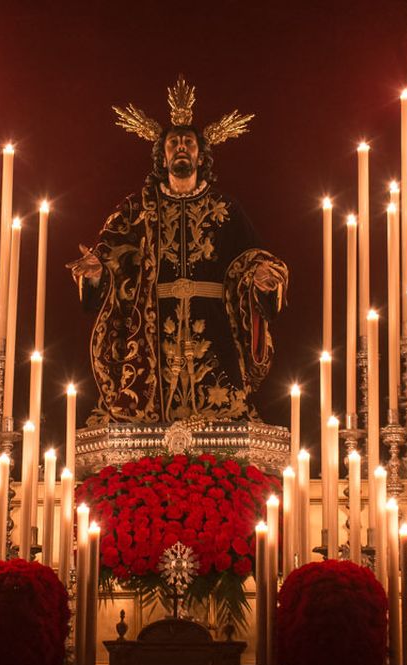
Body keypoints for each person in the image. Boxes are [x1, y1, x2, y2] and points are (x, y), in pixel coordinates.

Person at [69, 78, 287, 425]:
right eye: (174, 142)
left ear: (202, 153)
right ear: (162, 154)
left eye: (189, 142)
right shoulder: (137, 210)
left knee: (225, 415)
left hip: (213, 329)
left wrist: (262, 278)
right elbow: (111, 257)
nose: (182, 147)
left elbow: (252, 257)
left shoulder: (225, 208)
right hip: (154, 330)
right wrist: (98, 272)